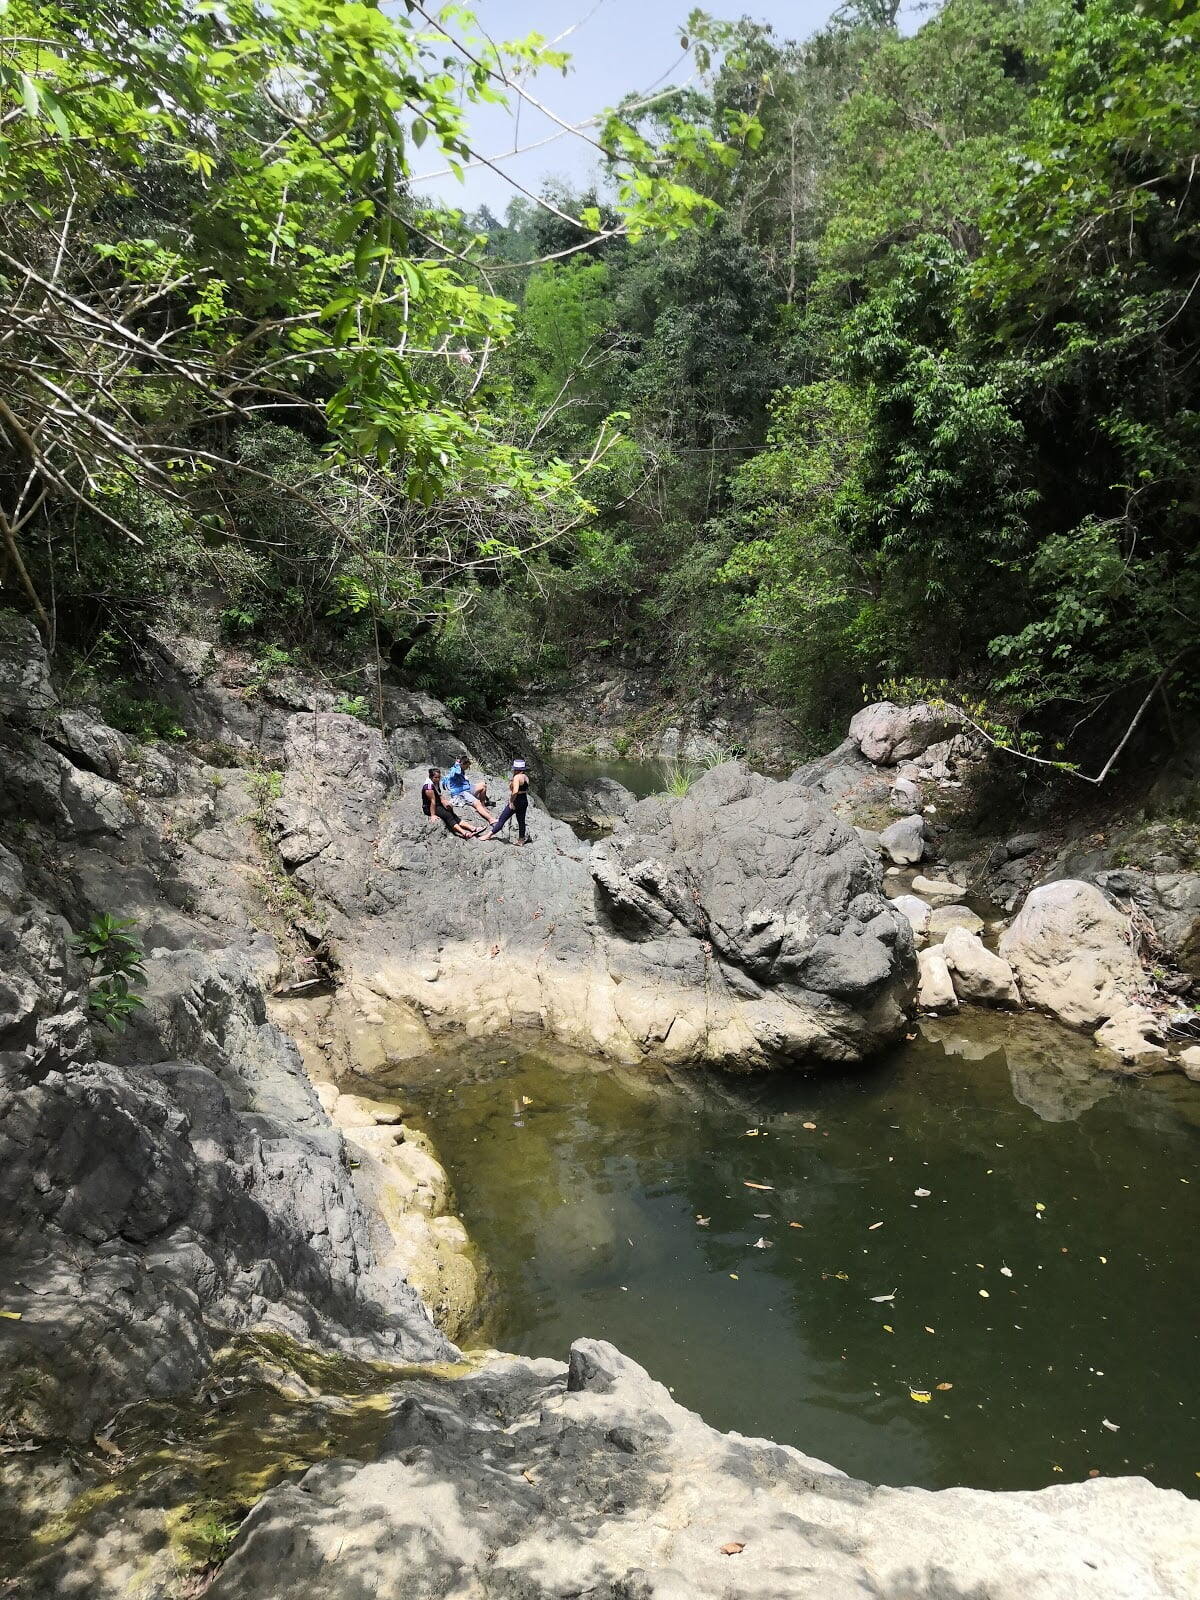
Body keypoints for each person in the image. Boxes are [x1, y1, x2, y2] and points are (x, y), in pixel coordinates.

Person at [423, 765, 482, 839]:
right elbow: (432, 801)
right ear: (431, 777)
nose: (438, 779)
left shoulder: (435, 782)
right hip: (429, 807)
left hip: (438, 804)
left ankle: (473, 828)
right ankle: (464, 833)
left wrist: (446, 803)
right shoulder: (428, 787)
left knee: (452, 813)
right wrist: (432, 815)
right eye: (436, 777)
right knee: (448, 815)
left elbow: (439, 795)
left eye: (439, 777)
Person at [441, 754, 495, 826]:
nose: (467, 767)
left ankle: (483, 805)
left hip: (467, 788)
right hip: (460, 793)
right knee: (477, 803)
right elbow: (455, 773)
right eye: (466, 766)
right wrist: (457, 765)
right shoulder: (455, 770)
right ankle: (491, 819)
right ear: (462, 764)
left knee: (483, 785)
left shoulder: (461, 768)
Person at [487, 758, 530, 845]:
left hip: (517, 801)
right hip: (524, 800)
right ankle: (521, 840)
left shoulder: (517, 777)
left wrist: (511, 801)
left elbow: (515, 791)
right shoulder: (526, 777)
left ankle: (489, 835)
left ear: (516, 769)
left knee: (502, 819)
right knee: (521, 821)